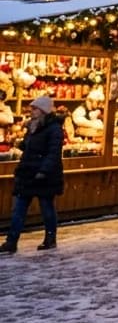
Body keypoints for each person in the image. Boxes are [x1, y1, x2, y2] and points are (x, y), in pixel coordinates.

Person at [1, 95, 64, 254]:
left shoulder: (54, 128)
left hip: (44, 175)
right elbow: (28, 148)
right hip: (28, 171)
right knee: (19, 208)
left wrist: (43, 171)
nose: (32, 111)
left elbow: (53, 152)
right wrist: (19, 141)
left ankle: (50, 239)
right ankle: (11, 241)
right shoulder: (32, 126)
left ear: (43, 110)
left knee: (46, 208)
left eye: (35, 108)